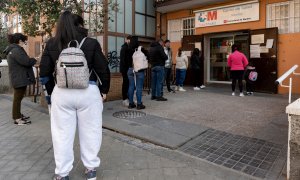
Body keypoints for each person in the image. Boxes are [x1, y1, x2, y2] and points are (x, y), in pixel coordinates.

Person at [39, 11, 110, 180]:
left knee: (61, 134)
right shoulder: (91, 43)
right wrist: (104, 91)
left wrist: (51, 94)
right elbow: (103, 69)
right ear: (79, 24)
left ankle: (62, 173)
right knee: (91, 131)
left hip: (62, 93)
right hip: (89, 91)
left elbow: (44, 72)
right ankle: (91, 169)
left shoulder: (52, 43)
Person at [4, 33, 36, 125]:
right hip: (19, 78)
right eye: (24, 41)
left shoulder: (14, 50)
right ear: (19, 41)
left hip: (18, 77)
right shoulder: (16, 51)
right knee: (17, 98)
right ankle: (17, 118)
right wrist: (34, 60)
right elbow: (26, 62)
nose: (24, 43)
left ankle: (18, 115)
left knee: (19, 97)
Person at [126, 36, 147, 110]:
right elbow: (147, 55)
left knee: (131, 86)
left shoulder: (127, 48)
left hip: (129, 70)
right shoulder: (140, 49)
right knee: (139, 87)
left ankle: (131, 103)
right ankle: (139, 104)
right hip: (138, 70)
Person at [120, 35, 131, 107]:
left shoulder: (128, 47)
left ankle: (128, 97)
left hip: (127, 69)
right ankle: (124, 99)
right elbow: (123, 60)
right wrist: (125, 70)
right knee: (125, 84)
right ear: (126, 40)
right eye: (129, 40)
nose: (130, 41)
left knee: (128, 84)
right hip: (125, 69)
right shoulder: (124, 48)